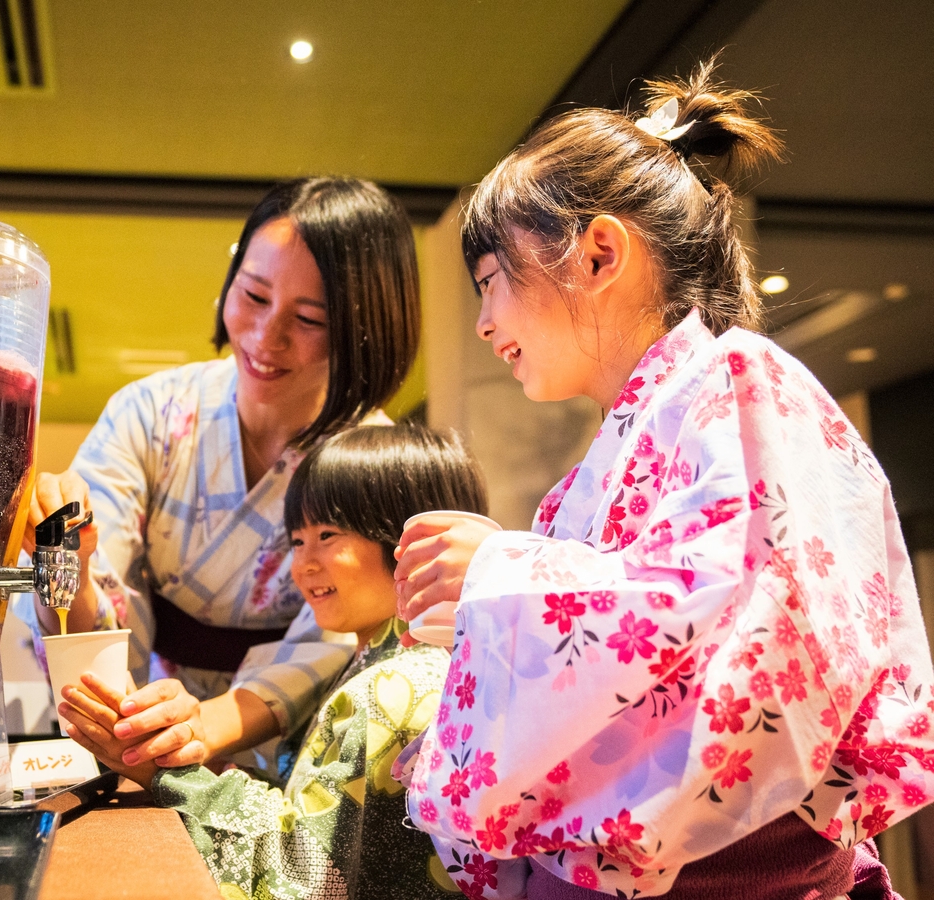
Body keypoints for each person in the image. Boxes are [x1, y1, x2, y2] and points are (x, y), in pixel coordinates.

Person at [393, 59, 931, 898]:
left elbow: (738, 617)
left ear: (600, 253)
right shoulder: (593, 474)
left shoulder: (741, 380)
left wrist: (500, 573)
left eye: (492, 282)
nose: (485, 322)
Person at [14, 177, 421, 773]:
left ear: (366, 330)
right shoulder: (150, 414)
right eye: (253, 295)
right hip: (138, 723)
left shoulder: (377, 462)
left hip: (297, 752)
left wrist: (196, 731)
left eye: (309, 319)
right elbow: (86, 592)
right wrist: (64, 561)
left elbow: (339, 639)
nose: (266, 336)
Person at [58, 424, 489, 899]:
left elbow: (305, 874)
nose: (303, 565)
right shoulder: (404, 665)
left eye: (327, 535)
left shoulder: (392, 689)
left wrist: (164, 774)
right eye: (297, 541)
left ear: (416, 540)